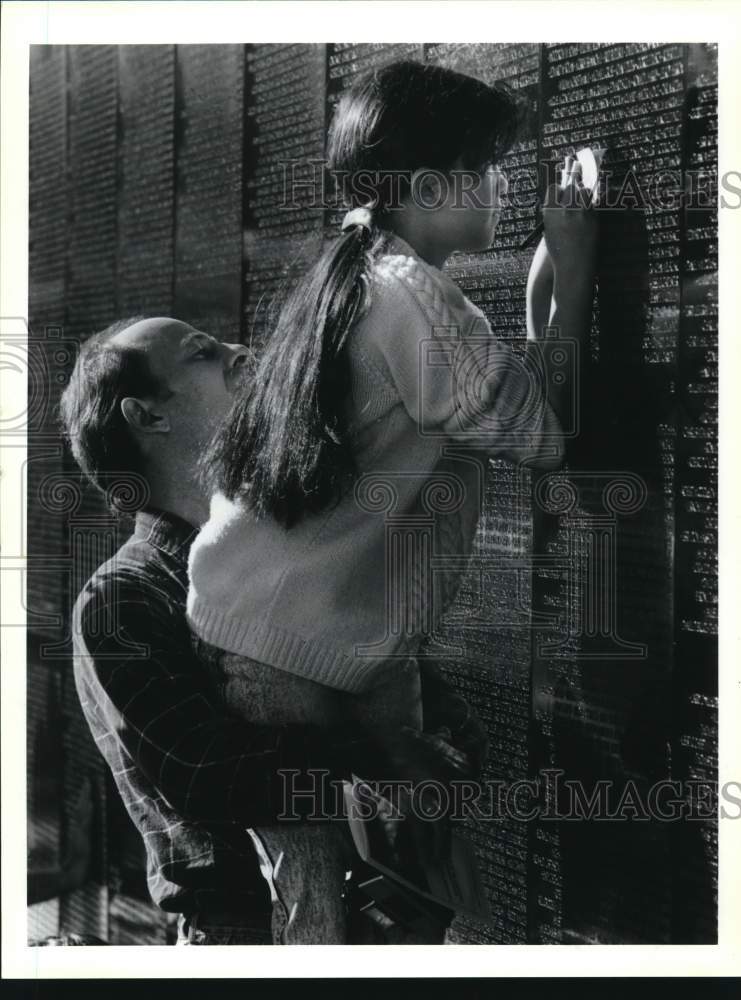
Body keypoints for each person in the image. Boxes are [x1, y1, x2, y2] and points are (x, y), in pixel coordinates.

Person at [187, 60, 597, 944]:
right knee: (331, 915)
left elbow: (503, 401)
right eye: (487, 165)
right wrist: (575, 267)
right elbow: (546, 437)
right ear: (425, 185)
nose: (501, 183)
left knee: (369, 882)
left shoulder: (358, 271)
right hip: (303, 653)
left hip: (271, 634)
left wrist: (537, 303)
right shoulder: (417, 299)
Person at [60, 315, 485, 945]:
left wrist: (436, 760)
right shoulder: (122, 599)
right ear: (147, 417)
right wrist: (377, 753)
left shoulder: (306, 553)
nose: (240, 351)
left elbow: (427, 707)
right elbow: (207, 774)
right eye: (203, 353)